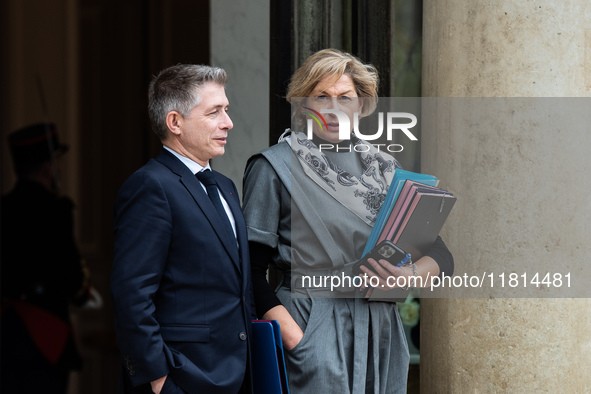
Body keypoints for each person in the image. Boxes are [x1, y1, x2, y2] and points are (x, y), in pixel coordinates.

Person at [242, 48, 454, 393]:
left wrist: (408, 276)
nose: (333, 107)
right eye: (321, 96)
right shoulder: (273, 167)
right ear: (303, 104)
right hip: (313, 323)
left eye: (345, 97)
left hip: (381, 331)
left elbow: (441, 255)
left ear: (362, 105)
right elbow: (248, 271)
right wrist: (298, 339)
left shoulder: (386, 169)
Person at [110, 64, 255, 394]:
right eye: (214, 112)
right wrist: (157, 378)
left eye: (226, 110)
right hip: (182, 377)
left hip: (238, 376)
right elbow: (131, 295)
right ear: (175, 122)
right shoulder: (149, 186)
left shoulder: (225, 186)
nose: (227, 122)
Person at [1, 123, 94, 393]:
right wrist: (82, 293)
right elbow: (71, 277)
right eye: (57, 162)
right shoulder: (57, 210)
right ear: (47, 168)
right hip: (45, 333)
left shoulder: (4, 208)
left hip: (6, 330)